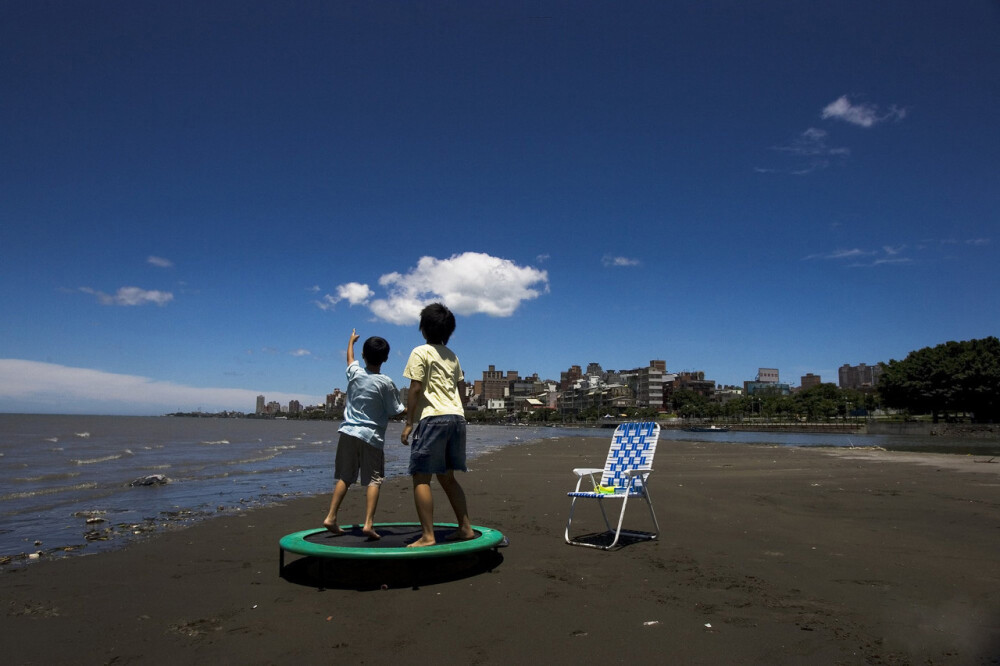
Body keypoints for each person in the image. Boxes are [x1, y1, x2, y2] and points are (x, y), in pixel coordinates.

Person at [401, 303, 474, 547]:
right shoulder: (453, 355)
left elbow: (415, 387)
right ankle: (465, 528)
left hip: (433, 418)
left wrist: (409, 422)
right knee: (448, 478)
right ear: (449, 332)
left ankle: (428, 536)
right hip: (456, 418)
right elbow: (459, 387)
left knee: (421, 478)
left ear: (423, 328)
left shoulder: (420, 352)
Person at [323, 329, 405, 540]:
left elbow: (350, 358)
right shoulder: (386, 383)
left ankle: (331, 516)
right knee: (373, 480)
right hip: (371, 437)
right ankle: (368, 524)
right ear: (386, 358)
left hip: (348, 432)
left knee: (345, 476)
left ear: (364, 355)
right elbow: (396, 410)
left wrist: (350, 340)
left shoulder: (355, 373)